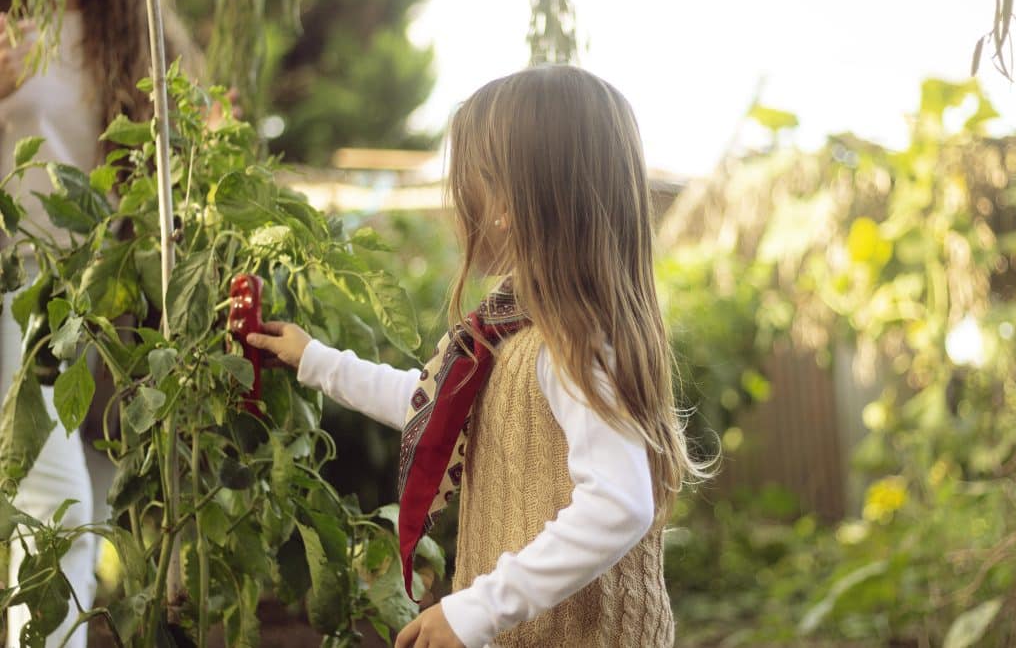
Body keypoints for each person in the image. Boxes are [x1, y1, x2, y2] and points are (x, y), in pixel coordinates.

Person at [247, 65, 710, 648]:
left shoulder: (571, 343)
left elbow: (618, 504)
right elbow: (427, 402)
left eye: (471, 180)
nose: (458, 200)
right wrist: (315, 360)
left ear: (511, 204)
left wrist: (476, 610)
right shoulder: (512, 333)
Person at [0, 0, 151, 646]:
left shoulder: (130, 30)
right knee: (55, 501)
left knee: (74, 492)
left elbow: (147, 167)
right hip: (11, 279)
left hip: (87, 297)